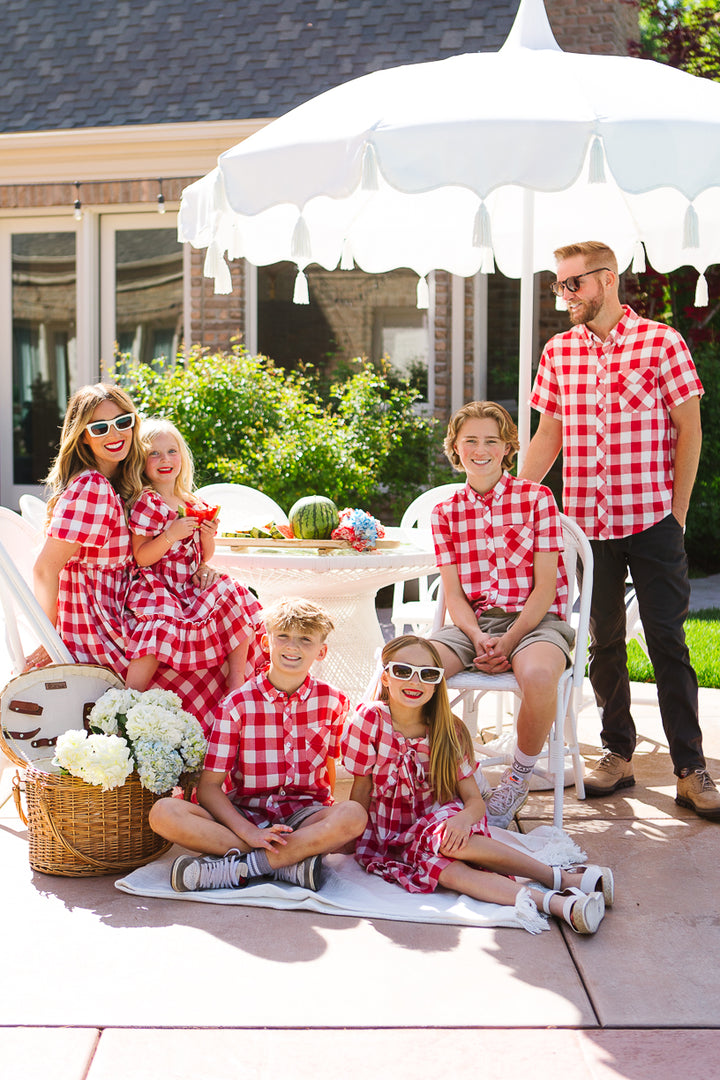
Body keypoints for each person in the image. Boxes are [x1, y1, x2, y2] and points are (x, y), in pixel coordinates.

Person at [520, 240, 719, 820]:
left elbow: (690, 430)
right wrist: (513, 501)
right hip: (587, 524)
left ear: (606, 280)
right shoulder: (559, 353)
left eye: (572, 285)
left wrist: (677, 514)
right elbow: (548, 437)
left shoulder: (662, 343)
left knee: (668, 641)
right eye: (558, 285)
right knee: (601, 640)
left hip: (653, 520)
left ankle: (690, 768)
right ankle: (617, 753)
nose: (564, 296)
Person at [343, 635, 611, 934]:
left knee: (446, 839)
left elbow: (475, 801)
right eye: (403, 671)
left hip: (440, 820)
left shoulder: (448, 729)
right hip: (391, 835)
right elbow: (362, 788)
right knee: (440, 869)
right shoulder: (369, 719)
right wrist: (349, 836)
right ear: (386, 676)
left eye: (427, 674)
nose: (414, 681)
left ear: (437, 682)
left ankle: (556, 878)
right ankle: (554, 903)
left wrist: (462, 819)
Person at [32, 383, 229, 722]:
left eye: (123, 421)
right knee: (206, 654)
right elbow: (45, 570)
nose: (115, 433)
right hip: (99, 625)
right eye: (99, 427)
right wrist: (49, 640)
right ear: (83, 437)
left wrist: (198, 568)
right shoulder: (92, 488)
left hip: (123, 607)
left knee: (217, 616)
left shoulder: (121, 482)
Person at [151, 598, 368, 892]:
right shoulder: (237, 705)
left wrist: (325, 826)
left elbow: (330, 769)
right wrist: (249, 832)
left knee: (354, 815)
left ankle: (244, 868)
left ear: (322, 651)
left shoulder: (333, 701)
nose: (293, 647)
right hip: (245, 815)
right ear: (267, 643)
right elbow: (209, 787)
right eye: (283, 637)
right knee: (164, 813)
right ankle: (288, 864)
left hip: (303, 817)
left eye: (305, 640)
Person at [428, 401, 575, 829]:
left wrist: (509, 643)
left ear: (508, 447)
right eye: (470, 440)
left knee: (541, 676)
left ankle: (516, 779)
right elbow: (453, 595)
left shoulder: (538, 498)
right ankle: (449, 774)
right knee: (411, 668)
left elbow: (545, 589)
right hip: (473, 622)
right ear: (455, 447)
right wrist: (476, 637)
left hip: (536, 620)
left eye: (491, 440)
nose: (480, 449)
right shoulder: (445, 512)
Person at [124, 417, 263, 693]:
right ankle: (130, 695)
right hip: (159, 586)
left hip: (189, 585)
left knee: (234, 593)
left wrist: (207, 535)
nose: (165, 459)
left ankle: (236, 682)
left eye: (171, 451)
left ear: (182, 457)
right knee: (157, 624)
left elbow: (203, 557)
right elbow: (141, 556)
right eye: (154, 453)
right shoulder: (147, 501)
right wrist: (170, 535)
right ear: (141, 461)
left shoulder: (192, 501)